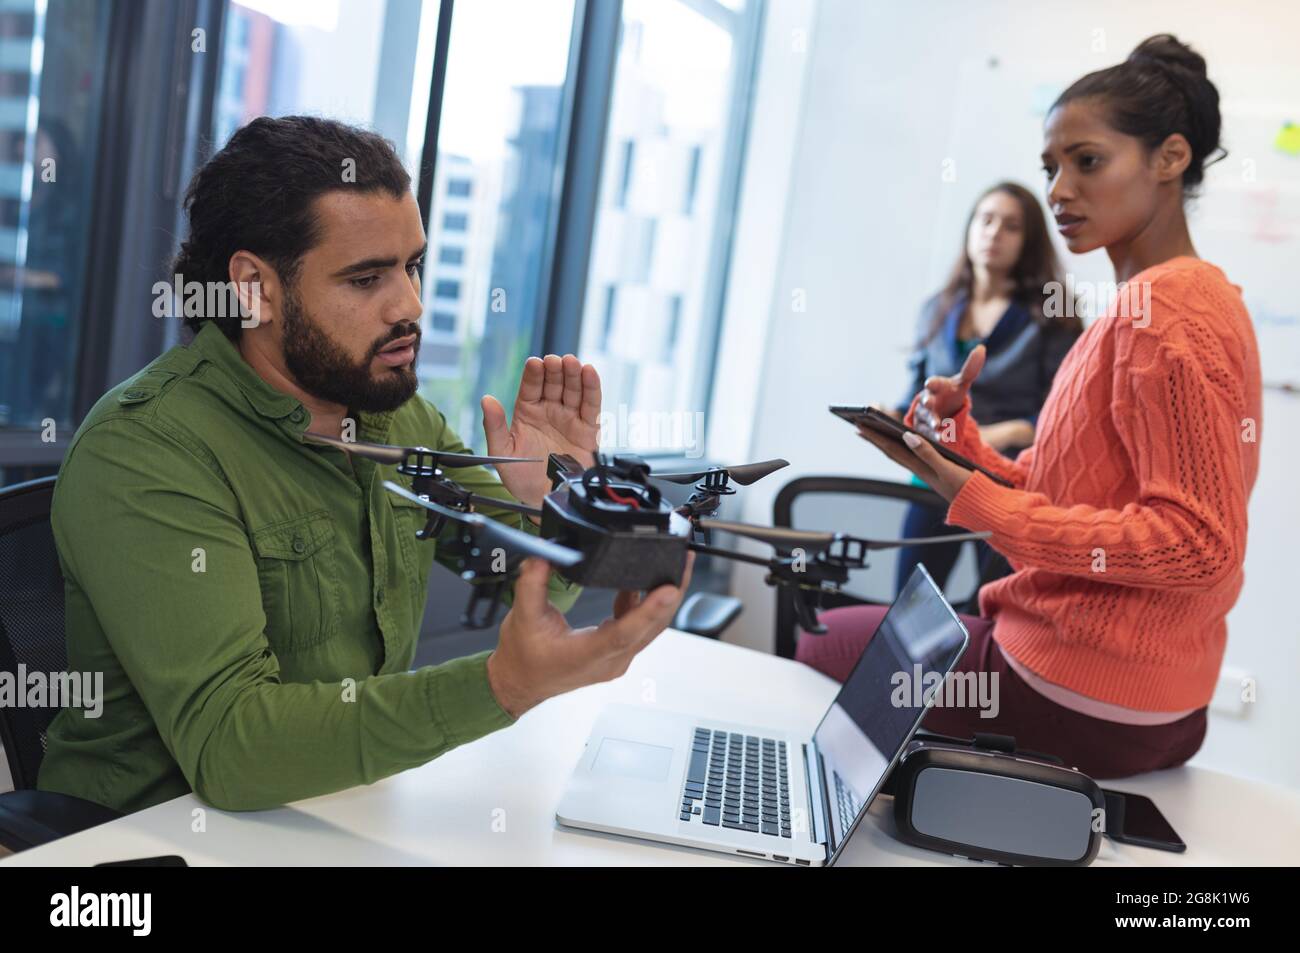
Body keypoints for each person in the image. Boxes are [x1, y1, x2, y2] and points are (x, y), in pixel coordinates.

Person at [38, 116, 692, 814]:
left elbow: (523, 591)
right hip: (145, 842)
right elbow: (230, 749)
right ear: (253, 287)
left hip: (341, 811)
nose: (409, 306)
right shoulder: (146, 450)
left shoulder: (395, 417)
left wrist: (554, 505)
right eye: (365, 278)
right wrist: (501, 685)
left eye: (411, 265)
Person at [799, 34, 1260, 780]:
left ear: (1171, 158)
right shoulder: (1146, 306)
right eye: (1051, 168)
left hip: (1081, 690)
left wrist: (981, 503)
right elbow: (1075, 498)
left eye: (1088, 161)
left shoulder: (1166, 312)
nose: (1057, 192)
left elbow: (1196, 544)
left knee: (819, 639)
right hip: (1139, 694)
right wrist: (959, 449)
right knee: (879, 635)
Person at [886, 182, 1080, 596]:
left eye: (1011, 226)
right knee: (908, 602)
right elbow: (913, 401)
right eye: (986, 219)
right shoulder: (936, 309)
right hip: (932, 476)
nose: (994, 233)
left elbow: (1061, 421)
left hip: (1004, 485)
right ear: (970, 228)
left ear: (1028, 242)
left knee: (996, 606)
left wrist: (1000, 434)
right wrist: (888, 419)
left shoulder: (1052, 313)